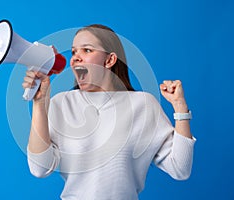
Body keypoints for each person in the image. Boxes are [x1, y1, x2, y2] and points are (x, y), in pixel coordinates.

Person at [22, 24, 196, 200]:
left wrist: (180, 108)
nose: (75, 58)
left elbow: (180, 169)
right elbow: (39, 168)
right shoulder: (61, 103)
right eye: (74, 52)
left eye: (87, 50)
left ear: (109, 60)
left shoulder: (144, 105)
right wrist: (39, 103)